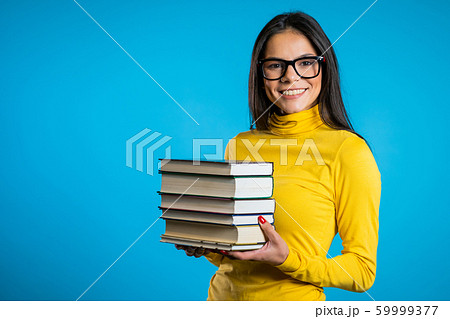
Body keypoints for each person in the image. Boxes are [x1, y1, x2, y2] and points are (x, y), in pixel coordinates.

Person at [176, 11, 381, 301]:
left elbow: (362, 271)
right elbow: (236, 256)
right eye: (275, 65)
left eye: (306, 63)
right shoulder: (241, 145)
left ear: (325, 67)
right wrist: (208, 245)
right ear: (261, 74)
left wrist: (288, 259)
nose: (290, 77)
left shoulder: (348, 151)